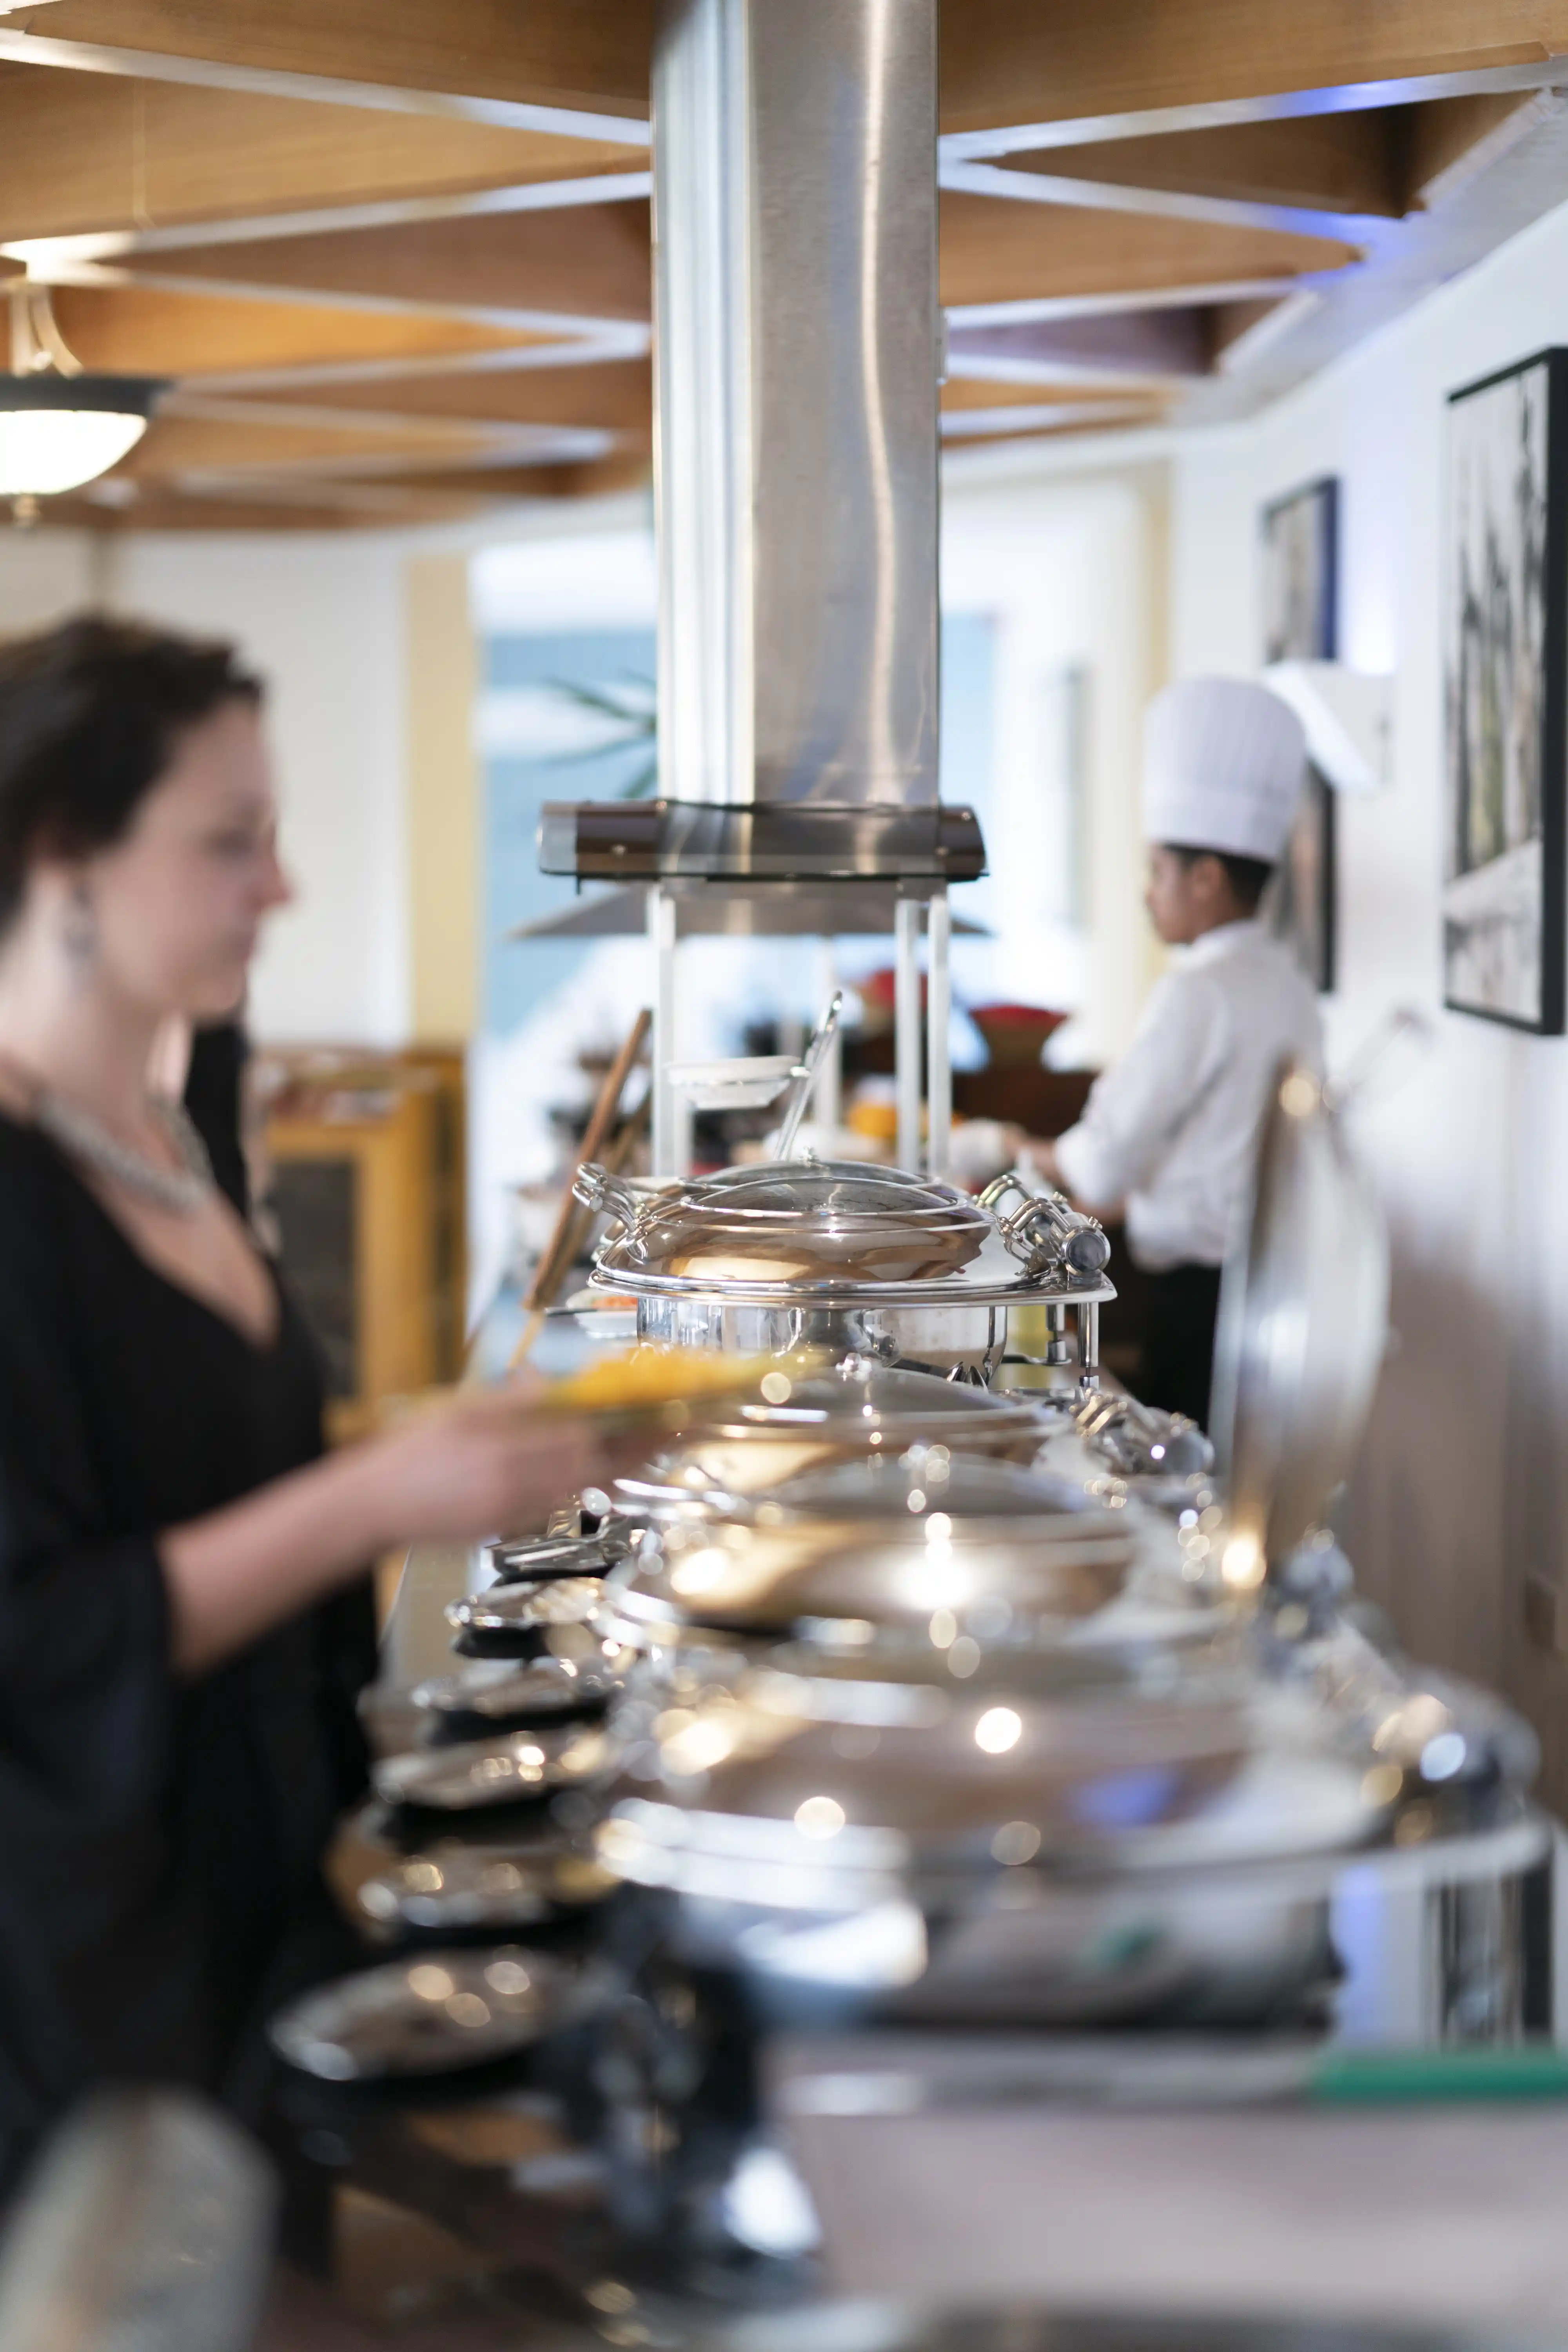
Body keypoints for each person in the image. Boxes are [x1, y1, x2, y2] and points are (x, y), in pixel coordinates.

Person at [0, 616, 611, 2195]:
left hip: (254, 1887)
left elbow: (198, 1469)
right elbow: (44, 1638)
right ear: (67, 855)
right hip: (79, 1961)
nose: (279, 885)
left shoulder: (180, 1111)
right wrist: (380, 1498)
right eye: (229, 843)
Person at [1022, 677, 1323, 1428]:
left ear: (1208, 879)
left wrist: (1013, 1146)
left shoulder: (1199, 991)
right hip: (1274, 1290)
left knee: (1182, 1491)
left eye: (1157, 872)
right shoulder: (1290, 985)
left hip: (1200, 1298)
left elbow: (1101, 1160)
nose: (1146, 894)